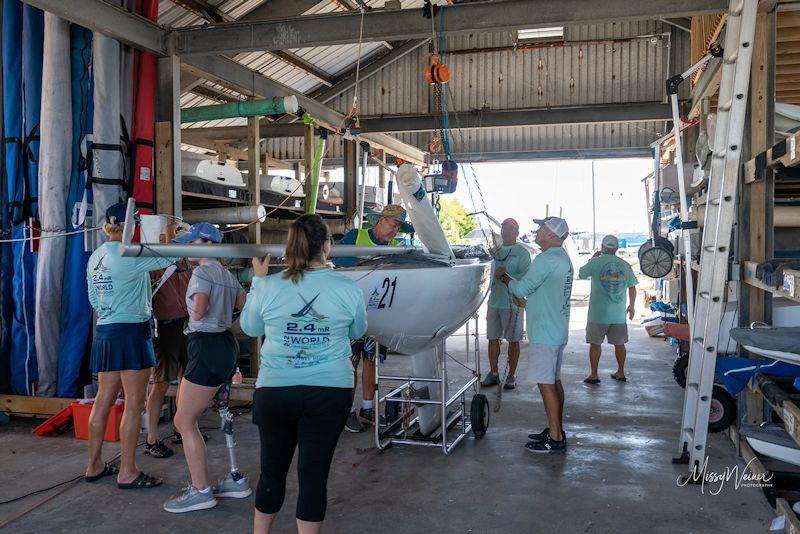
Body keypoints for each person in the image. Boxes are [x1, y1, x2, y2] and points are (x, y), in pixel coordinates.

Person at [241, 214, 366, 534]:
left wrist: (258, 281)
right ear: (327, 245)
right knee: (313, 475)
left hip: (276, 391)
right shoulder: (346, 288)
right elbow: (358, 331)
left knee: (271, 472)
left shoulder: (268, 285)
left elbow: (250, 328)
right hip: (329, 391)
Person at [84, 202, 179, 489]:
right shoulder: (132, 253)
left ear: (105, 226)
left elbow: (92, 299)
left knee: (103, 400)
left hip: (105, 331)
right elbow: (168, 258)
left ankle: (94, 464)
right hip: (131, 332)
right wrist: (169, 233)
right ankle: (128, 471)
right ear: (132, 226)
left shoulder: (95, 257)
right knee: (135, 403)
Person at [163, 222, 250, 513]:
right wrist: (230, 326)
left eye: (191, 243)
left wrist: (196, 316)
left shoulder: (200, 272)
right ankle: (234, 481)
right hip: (225, 344)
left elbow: (199, 308)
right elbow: (245, 304)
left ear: (207, 244)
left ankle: (201, 490)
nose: (187, 249)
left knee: (183, 421)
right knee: (194, 414)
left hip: (206, 344)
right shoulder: (226, 273)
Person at [333, 204, 412, 433]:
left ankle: (367, 408)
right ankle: (346, 412)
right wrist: (370, 264)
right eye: (393, 224)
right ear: (381, 221)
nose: (395, 231)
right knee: (351, 362)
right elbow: (337, 258)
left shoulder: (396, 247)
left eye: (398, 227)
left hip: (378, 313)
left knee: (371, 360)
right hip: (350, 310)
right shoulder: (356, 235)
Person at [502, 216, 573, 455]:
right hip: (556, 328)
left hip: (545, 332)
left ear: (552, 235)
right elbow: (541, 291)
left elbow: (521, 289)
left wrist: (505, 278)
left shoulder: (546, 259)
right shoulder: (562, 258)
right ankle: (557, 430)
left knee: (546, 384)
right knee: (554, 381)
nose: (537, 230)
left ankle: (555, 439)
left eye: (542, 227)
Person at [144, 258, 192, 459]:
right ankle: (151, 439)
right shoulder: (156, 262)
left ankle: (181, 428)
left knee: (186, 378)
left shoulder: (189, 263)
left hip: (186, 323)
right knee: (161, 383)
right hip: (164, 326)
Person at [578, 235, 638, 384]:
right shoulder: (625, 264)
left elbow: (581, 273)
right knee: (620, 344)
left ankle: (594, 374)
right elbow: (632, 287)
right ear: (617, 249)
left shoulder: (596, 262)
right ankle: (621, 372)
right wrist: (631, 306)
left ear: (602, 247)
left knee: (595, 344)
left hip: (598, 314)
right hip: (618, 314)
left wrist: (592, 259)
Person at [481, 218, 530, 390]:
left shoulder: (523, 253)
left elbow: (526, 279)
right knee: (492, 338)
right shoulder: (493, 251)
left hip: (513, 304)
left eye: (510, 228)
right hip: (494, 302)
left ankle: (511, 375)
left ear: (517, 232)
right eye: (503, 227)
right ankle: (493, 373)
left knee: (514, 340)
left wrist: (506, 275)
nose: (505, 231)